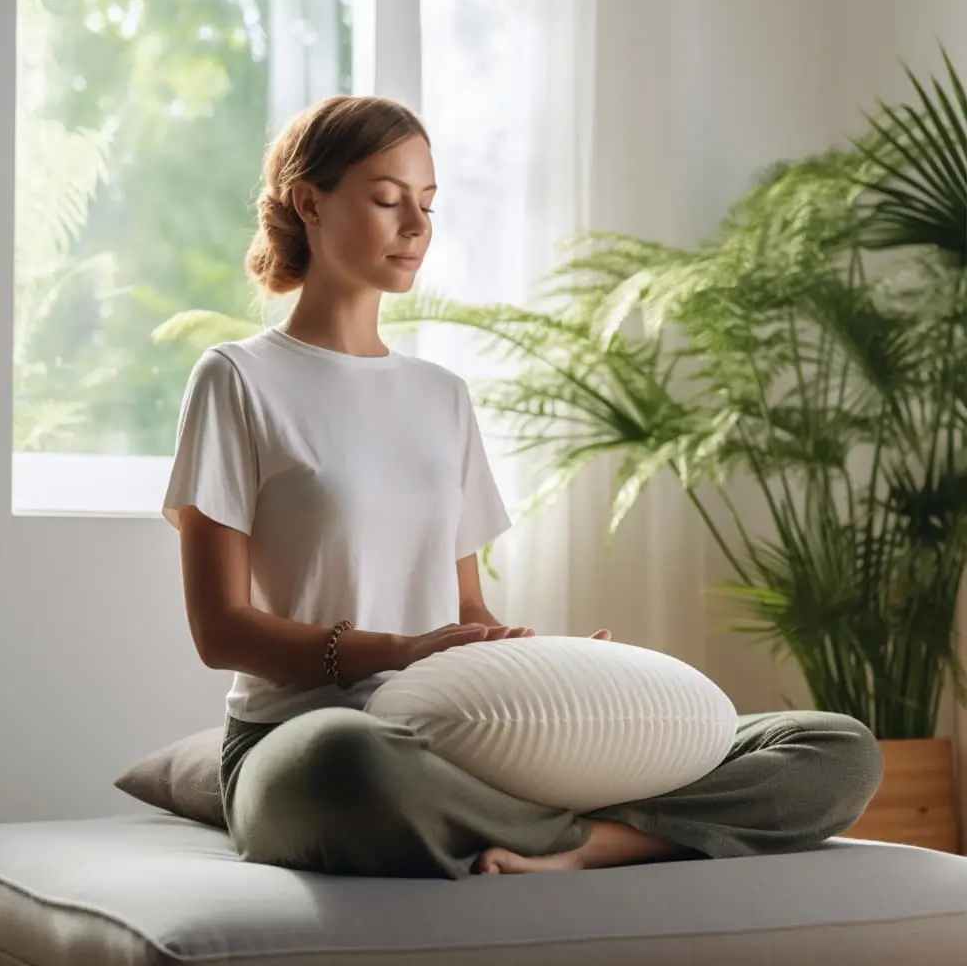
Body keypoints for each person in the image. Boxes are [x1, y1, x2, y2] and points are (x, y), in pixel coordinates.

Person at [162, 94, 884, 880]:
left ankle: (595, 842)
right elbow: (221, 630)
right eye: (386, 199)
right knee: (348, 761)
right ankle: (593, 831)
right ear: (311, 203)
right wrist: (400, 652)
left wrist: (556, 662)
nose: (416, 227)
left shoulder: (440, 395)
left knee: (834, 748)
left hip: (458, 732)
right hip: (306, 737)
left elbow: (468, 614)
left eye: (428, 204)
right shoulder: (237, 378)